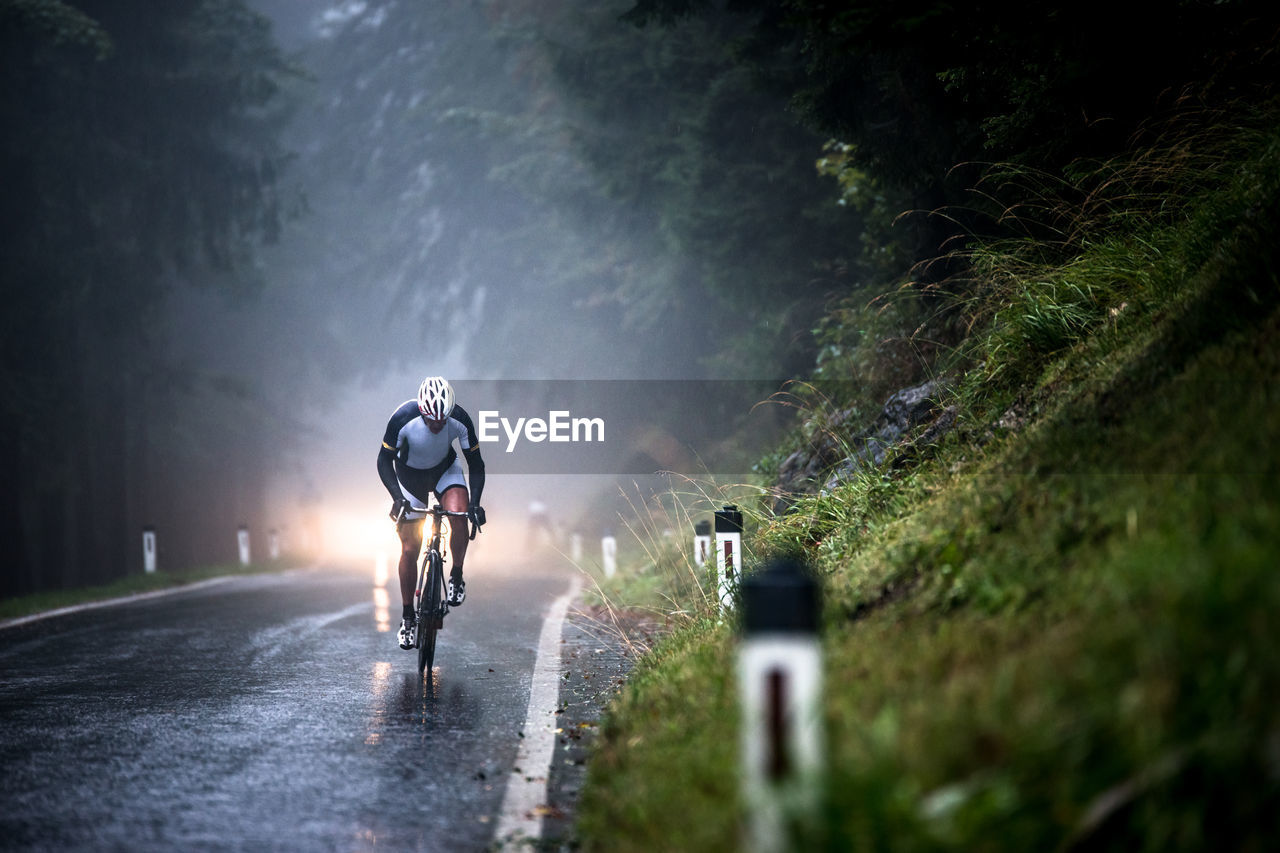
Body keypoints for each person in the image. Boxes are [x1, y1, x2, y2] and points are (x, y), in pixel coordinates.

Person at [378, 376, 486, 650]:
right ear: (422, 412)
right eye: (431, 421)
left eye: (442, 421)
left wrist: (476, 504)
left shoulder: (460, 419)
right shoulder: (403, 418)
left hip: (444, 472)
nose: (437, 426)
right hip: (408, 477)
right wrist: (397, 497)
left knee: (459, 514)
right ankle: (407, 618)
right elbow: (383, 461)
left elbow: (476, 463)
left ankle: (457, 575)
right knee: (410, 547)